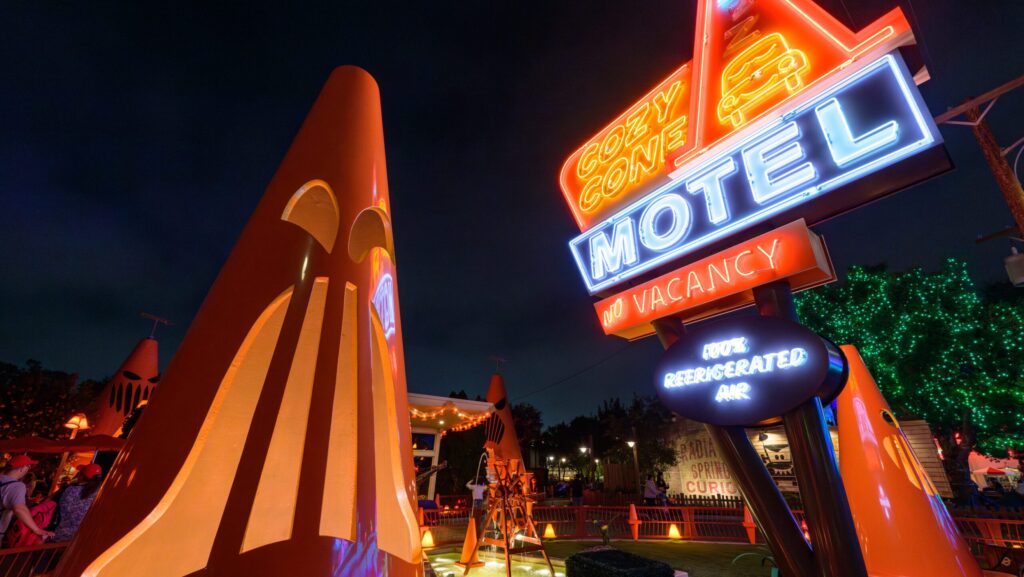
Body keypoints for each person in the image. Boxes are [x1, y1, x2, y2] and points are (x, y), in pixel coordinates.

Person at [0, 455, 54, 544]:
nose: (28, 469)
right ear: (22, 468)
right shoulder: (16, 486)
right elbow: (20, 509)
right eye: (28, 467)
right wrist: (37, 530)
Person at [52, 463, 104, 543]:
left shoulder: (72, 490)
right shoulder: (100, 494)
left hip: (61, 535)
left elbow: (62, 511)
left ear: (82, 476)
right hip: (82, 540)